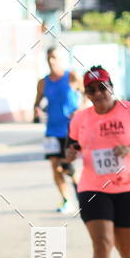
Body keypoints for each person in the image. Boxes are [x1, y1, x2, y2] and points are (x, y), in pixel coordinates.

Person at [66, 65, 130, 258]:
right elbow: (72, 145)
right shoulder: (80, 118)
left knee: (128, 249)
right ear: (86, 93)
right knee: (102, 243)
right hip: (93, 188)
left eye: (102, 87)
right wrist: (70, 154)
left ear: (111, 87)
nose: (98, 93)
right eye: (92, 89)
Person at [34, 46, 83, 214]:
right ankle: (66, 200)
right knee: (55, 167)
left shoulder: (72, 76)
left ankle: (80, 196)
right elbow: (37, 102)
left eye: (54, 57)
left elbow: (87, 96)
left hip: (70, 130)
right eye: (49, 58)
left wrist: (80, 110)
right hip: (51, 131)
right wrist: (36, 109)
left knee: (68, 167)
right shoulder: (43, 82)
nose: (51, 61)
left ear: (62, 58)